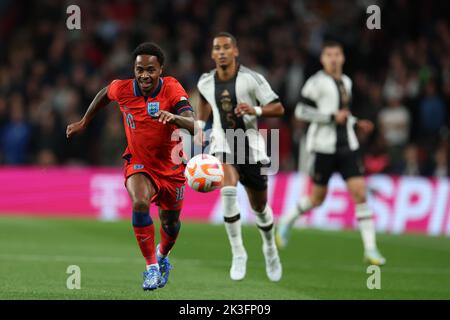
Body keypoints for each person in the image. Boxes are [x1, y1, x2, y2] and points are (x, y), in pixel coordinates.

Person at [66, 42, 195, 290]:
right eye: (139, 69)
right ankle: (151, 269)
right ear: (134, 69)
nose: (144, 75)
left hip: (172, 168)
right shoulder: (123, 89)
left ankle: (162, 256)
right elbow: (105, 93)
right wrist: (84, 121)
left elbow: (192, 122)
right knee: (139, 202)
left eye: (150, 69)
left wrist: (174, 117)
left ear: (160, 70)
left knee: (170, 223)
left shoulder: (171, 88)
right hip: (139, 163)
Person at [276, 41, 386, 266]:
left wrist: (356, 123)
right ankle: (287, 220)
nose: (334, 59)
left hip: (348, 146)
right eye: (329, 55)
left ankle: (371, 249)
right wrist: (329, 118)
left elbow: (342, 114)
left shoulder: (347, 81)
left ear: (343, 58)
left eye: (337, 54)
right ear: (323, 59)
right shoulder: (316, 83)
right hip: (323, 148)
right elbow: (300, 111)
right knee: (317, 198)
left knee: (360, 194)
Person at [195, 32, 285, 281]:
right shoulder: (205, 81)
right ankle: (238, 252)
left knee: (260, 208)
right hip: (223, 143)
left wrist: (254, 109)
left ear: (235, 51)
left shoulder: (252, 79)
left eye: (226, 47)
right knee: (228, 190)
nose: (222, 52)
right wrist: (201, 127)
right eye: (217, 48)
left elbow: (278, 107)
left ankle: (270, 248)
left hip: (252, 147)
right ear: (212, 54)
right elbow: (203, 101)